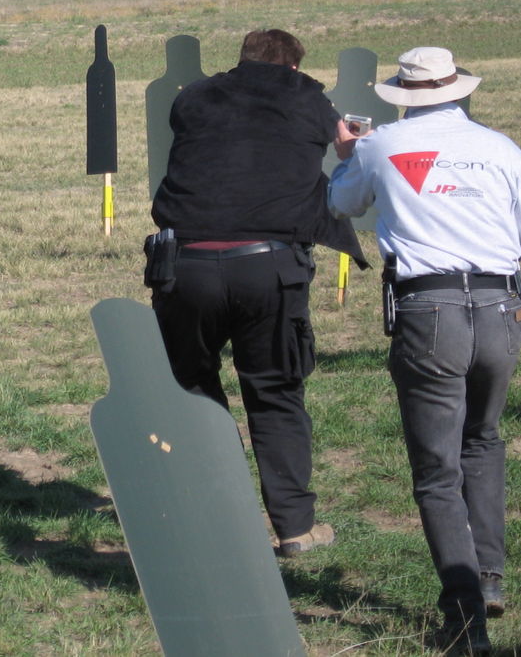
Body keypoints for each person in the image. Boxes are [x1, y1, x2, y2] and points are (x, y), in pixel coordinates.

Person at [329, 47, 521, 656]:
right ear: (456, 90)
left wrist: (347, 159)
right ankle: (490, 573)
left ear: (402, 93)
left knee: (437, 469)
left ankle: (464, 613)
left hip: (428, 312)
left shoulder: (380, 146)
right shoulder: (502, 148)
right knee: (485, 439)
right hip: (503, 310)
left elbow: (341, 206)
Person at [147, 28, 364, 558]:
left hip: (185, 264)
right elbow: (340, 141)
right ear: (292, 67)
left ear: (241, 59)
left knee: (192, 388)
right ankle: (294, 527)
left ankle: (216, 511)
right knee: (274, 392)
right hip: (268, 266)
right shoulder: (308, 96)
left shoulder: (193, 96)